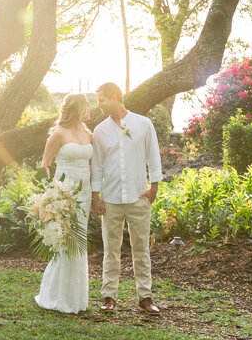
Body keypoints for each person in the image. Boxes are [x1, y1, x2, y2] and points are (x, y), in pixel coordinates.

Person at [90, 82, 163, 315]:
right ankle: (109, 296)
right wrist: (95, 196)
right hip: (110, 199)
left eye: (101, 99)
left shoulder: (143, 124)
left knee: (141, 249)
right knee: (110, 249)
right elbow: (98, 166)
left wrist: (154, 187)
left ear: (114, 97)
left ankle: (145, 297)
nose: (98, 104)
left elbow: (153, 155)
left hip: (138, 196)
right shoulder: (100, 131)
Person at [34, 93, 94, 314]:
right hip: (64, 193)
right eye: (86, 105)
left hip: (84, 193)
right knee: (67, 241)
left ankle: (76, 298)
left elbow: (91, 165)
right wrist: (52, 195)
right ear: (76, 108)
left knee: (79, 241)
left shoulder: (89, 133)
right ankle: (56, 295)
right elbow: (45, 165)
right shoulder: (58, 134)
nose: (89, 109)